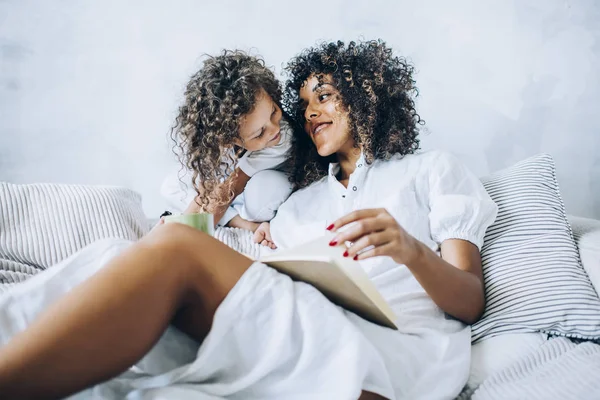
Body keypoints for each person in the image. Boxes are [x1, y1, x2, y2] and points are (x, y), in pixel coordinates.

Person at [0, 40, 497, 400]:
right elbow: (233, 258)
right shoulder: (299, 204)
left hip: (392, 360)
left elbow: (470, 301)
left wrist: (408, 249)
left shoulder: (431, 170)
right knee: (119, 256)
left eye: (323, 96)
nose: (308, 114)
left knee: (175, 246)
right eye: (301, 105)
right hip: (307, 331)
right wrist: (233, 216)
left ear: (364, 95)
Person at [161, 50, 293, 248]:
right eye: (258, 134)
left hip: (255, 197)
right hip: (231, 196)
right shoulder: (221, 145)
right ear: (228, 139)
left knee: (268, 187)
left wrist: (190, 230)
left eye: (273, 112)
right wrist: (187, 222)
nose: (274, 128)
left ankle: (241, 219)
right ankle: (242, 223)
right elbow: (207, 191)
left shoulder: (282, 137)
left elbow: (229, 190)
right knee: (171, 185)